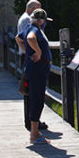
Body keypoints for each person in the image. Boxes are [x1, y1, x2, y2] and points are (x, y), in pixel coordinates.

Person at [16, 0, 49, 132]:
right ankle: (31, 122)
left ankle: (32, 121)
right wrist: (37, 51)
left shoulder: (24, 18)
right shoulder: (27, 20)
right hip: (32, 59)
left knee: (30, 91)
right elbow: (28, 38)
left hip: (30, 57)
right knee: (32, 92)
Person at [22, 8, 53, 143]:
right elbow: (30, 38)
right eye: (44, 20)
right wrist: (38, 52)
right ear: (40, 20)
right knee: (37, 100)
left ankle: (35, 132)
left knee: (35, 98)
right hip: (38, 70)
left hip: (35, 68)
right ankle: (34, 134)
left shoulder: (28, 27)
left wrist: (28, 53)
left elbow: (18, 38)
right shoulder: (34, 30)